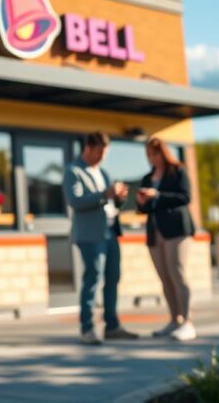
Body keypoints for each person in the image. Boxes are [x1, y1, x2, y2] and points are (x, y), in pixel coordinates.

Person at [63, 131, 138, 345]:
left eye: (105, 153)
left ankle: (112, 326)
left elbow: (110, 203)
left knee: (113, 278)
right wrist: (105, 194)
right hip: (89, 234)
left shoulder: (103, 173)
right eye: (100, 152)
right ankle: (87, 328)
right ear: (88, 148)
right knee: (93, 279)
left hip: (110, 232)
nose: (102, 157)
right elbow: (75, 202)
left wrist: (119, 198)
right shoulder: (73, 171)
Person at [136, 137, 197, 341]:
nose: (151, 158)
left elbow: (185, 197)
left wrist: (158, 195)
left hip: (177, 230)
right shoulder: (147, 177)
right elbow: (144, 209)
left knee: (176, 273)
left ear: (163, 152)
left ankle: (187, 322)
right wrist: (143, 201)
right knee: (164, 277)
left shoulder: (178, 171)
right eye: (148, 155)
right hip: (155, 232)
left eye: (154, 154)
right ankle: (174, 320)